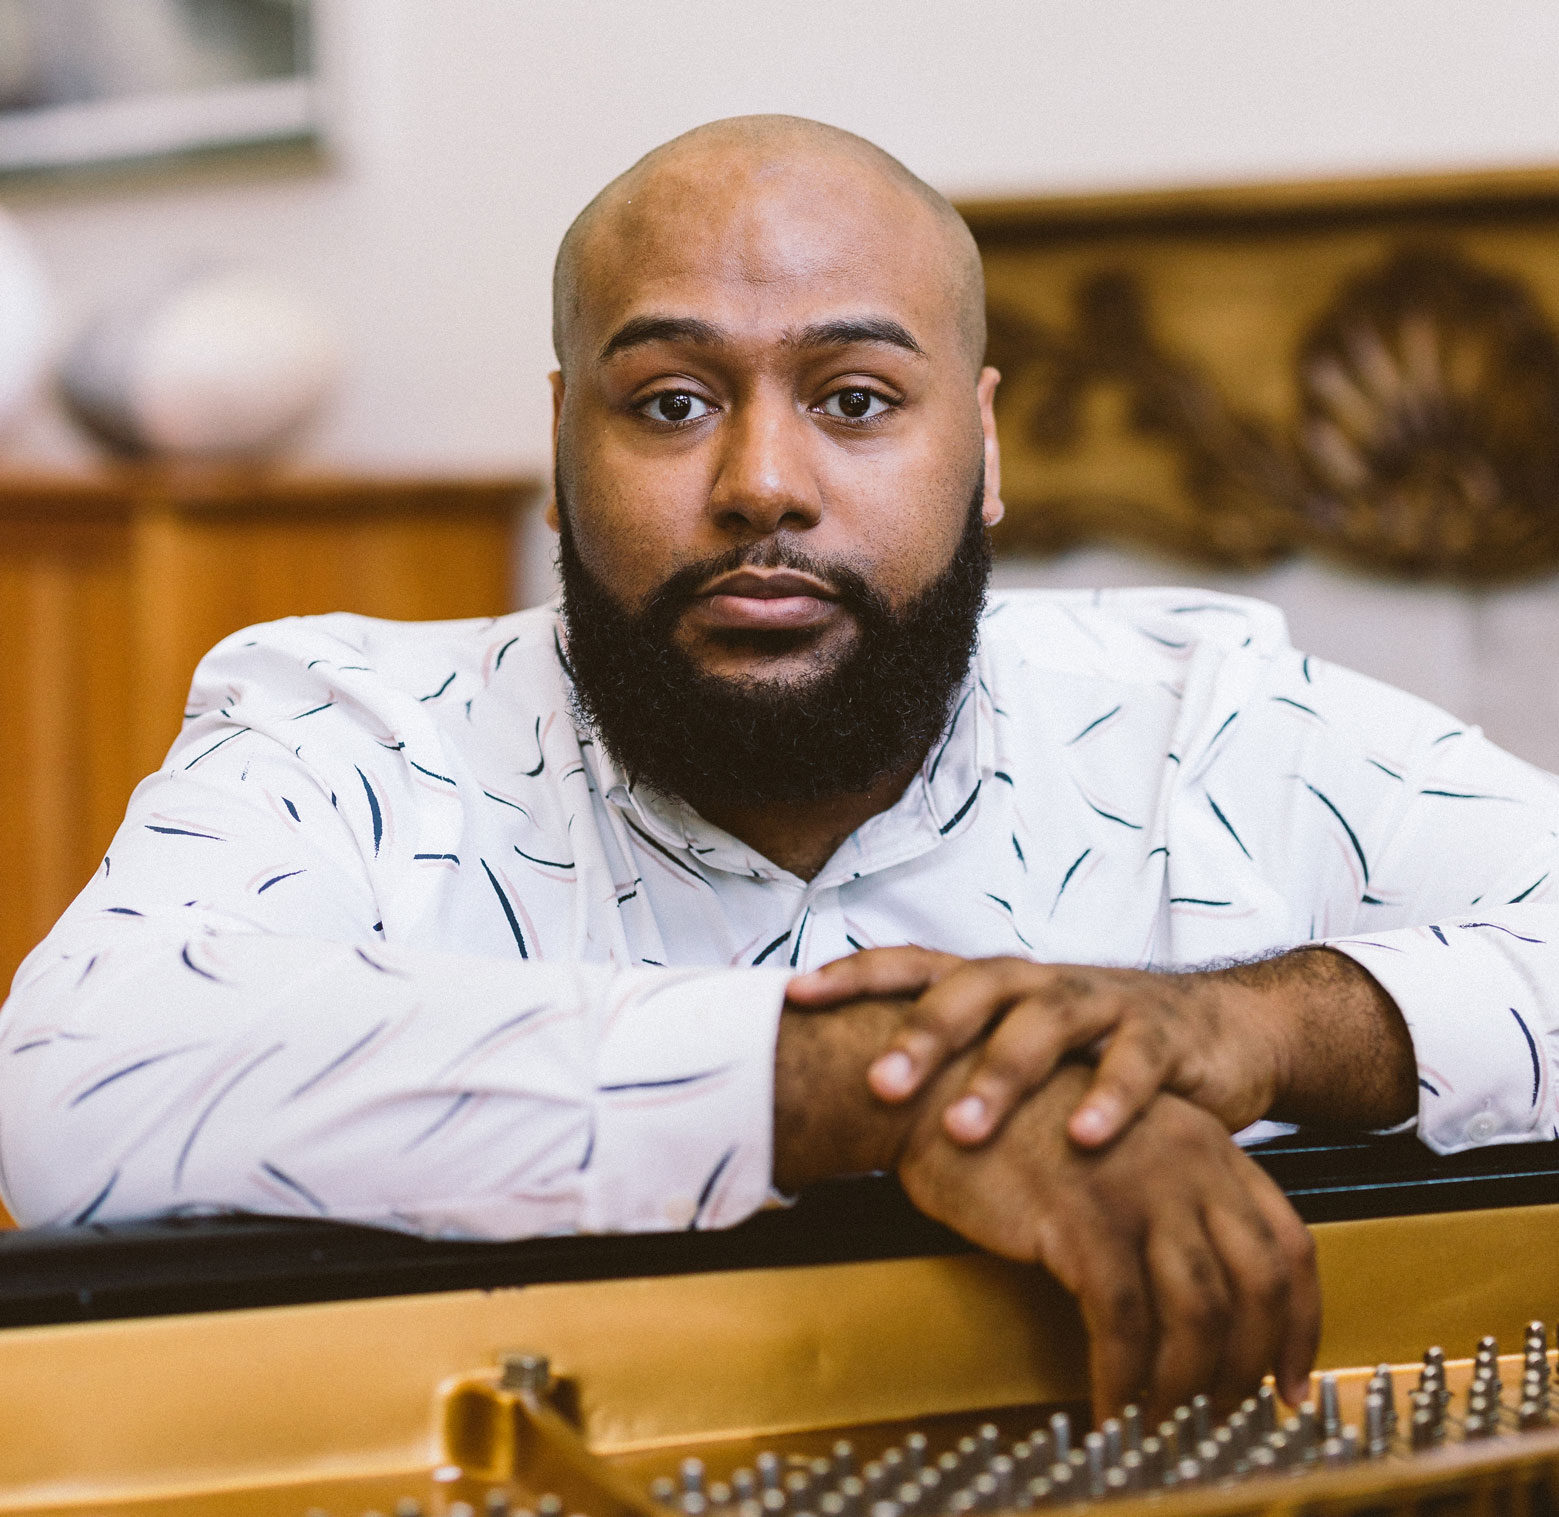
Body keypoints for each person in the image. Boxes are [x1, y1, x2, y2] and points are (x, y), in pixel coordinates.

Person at [5, 115, 1559, 1422]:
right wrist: (868, 1080)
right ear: (562, 442)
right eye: (671, 402)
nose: (761, 483)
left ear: (988, 447)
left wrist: (1255, 1025)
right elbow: (71, 1079)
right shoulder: (343, 723)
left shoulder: (1206, 716)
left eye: (856, 400)